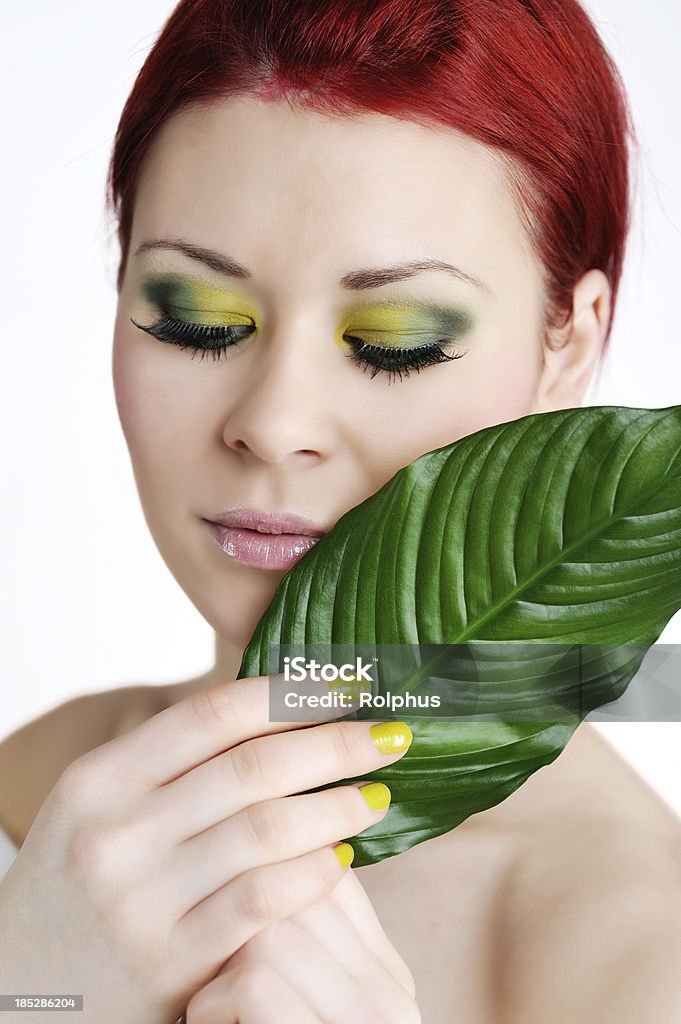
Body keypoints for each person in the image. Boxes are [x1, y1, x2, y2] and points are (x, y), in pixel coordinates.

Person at [2, 0, 681, 1020]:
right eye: (195, 318)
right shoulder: (44, 787)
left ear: (568, 348)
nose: (273, 424)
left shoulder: (638, 953)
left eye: (397, 339)